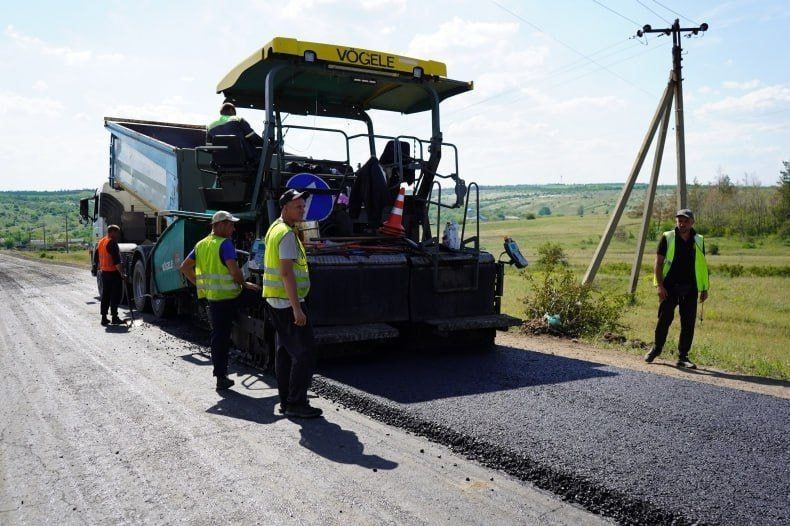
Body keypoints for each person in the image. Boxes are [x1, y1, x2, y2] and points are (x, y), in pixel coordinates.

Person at [180, 211, 260, 390]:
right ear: (221, 225)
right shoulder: (225, 244)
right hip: (231, 296)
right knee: (260, 295)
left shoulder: (201, 245)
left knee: (219, 337)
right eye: (231, 225)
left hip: (214, 299)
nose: (233, 228)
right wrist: (245, 284)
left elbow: (184, 267)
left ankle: (221, 377)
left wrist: (201, 285)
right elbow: (234, 271)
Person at [263, 189, 322, 419]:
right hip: (287, 303)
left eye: (303, 206)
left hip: (275, 300)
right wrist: (297, 308)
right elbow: (286, 273)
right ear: (285, 207)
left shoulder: (274, 229)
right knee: (305, 352)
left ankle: (286, 400)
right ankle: (296, 402)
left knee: (285, 352)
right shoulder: (286, 234)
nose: (302, 210)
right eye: (298, 206)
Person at [645, 209, 710, 369]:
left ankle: (683, 357)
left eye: (686, 221)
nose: (682, 224)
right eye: (679, 221)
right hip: (669, 287)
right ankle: (656, 349)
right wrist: (659, 286)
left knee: (688, 324)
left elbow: (702, 265)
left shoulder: (699, 240)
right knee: (664, 320)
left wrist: (704, 288)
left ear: (692, 222)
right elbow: (658, 263)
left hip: (691, 287)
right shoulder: (668, 237)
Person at [94, 224, 126, 326]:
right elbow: (117, 261)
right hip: (113, 273)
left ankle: (104, 318)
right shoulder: (112, 242)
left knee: (105, 296)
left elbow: (96, 258)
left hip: (104, 273)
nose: (118, 235)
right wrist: (122, 273)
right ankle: (114, 317)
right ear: (112, 232)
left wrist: (99, 268)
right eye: (117, 232)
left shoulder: (101, 242)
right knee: (115, 296)